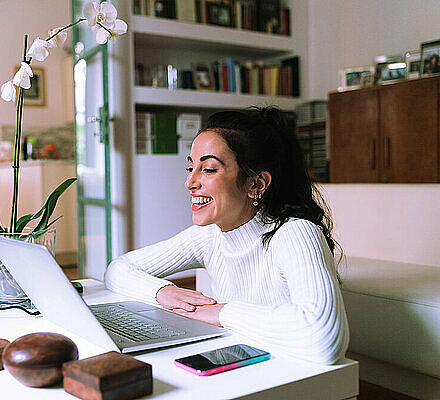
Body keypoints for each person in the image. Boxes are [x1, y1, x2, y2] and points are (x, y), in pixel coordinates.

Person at [105, 107, 349, 365]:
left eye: (209, 169)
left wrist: (220, 313)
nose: (190, 182)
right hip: (241, 363)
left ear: (256, 184)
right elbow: (118, 269)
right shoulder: (208, 236)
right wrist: (164, 292)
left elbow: (325, 338)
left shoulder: (296, 233)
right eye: (191, 167)